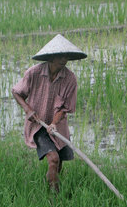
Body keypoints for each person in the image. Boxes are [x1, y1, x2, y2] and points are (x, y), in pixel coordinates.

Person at [12, 34, 87, 192]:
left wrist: (54, 123)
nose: (64, 59)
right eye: (61, 56)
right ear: (51, 57)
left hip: (58, 126)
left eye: (66, 56)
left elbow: (65, 108)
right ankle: (55, 197)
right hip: (38, 124)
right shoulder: (34, 73)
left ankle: (51, 180)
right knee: (53, 159)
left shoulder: (70, 79)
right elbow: (17, 92)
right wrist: (28, 110)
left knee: (59, 163)